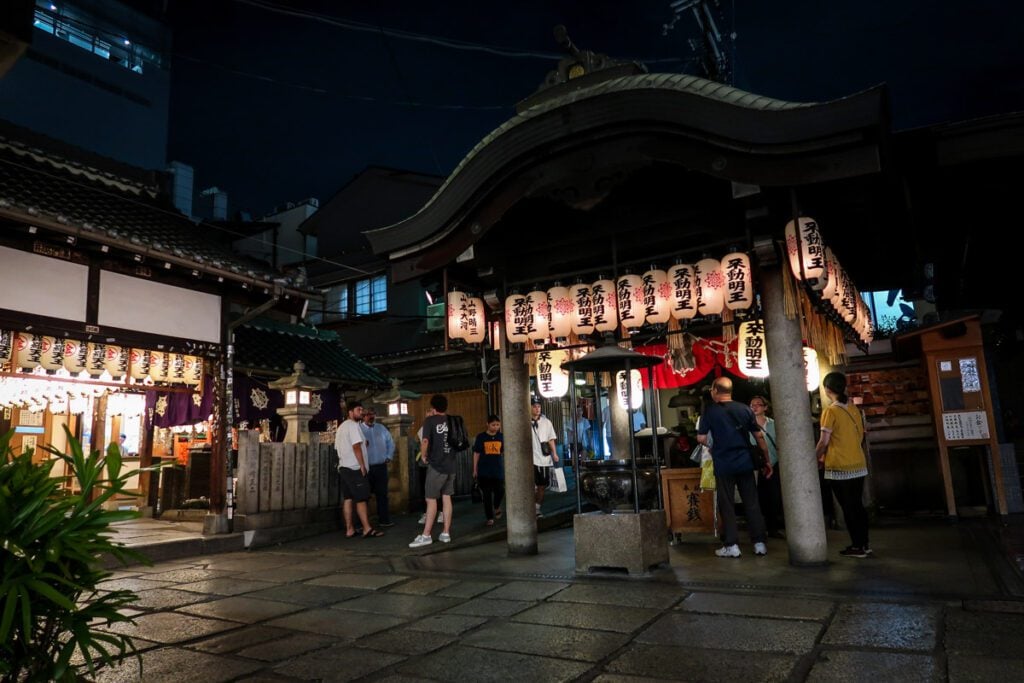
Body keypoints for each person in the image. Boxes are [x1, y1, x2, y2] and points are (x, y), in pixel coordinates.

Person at [696, 377, 773, 558]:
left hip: (724, 462)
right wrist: (766, 459)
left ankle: (732, 545)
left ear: (715, 390)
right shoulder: (744, 409)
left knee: (727, 503)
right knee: (752, 502)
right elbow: (759, 436)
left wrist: (715, 447)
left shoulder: (710, 411)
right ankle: (759, 543)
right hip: (745, 461)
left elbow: (701, 438)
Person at [815, 372, 871, 558]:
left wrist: (815, 458)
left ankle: (857, 545)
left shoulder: (831, 411)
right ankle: (864, 544)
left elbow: (823, 441)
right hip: (858, 462)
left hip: (840, 465)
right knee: (857, 506)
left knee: (848, 508)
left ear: (827, 389)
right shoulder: (852, 408)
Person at [410, 394, 456, 548]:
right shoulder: (452, 420)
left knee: (431, 499)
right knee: (446, 498)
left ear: (433, 408)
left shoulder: (430, 421)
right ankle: (445, 533)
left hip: (436, 466)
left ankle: (426, 535)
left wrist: (423, 455)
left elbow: (425, 440)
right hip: (451, 465)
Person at [334, 400, 383, 538]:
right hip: (355, 467)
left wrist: (363, 445)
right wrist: (362, 465)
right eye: (358, 410)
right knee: (362, 498)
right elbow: (356, 446)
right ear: (350, 412)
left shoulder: (342, 427)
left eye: (362, 409)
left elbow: (345, 446)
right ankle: (367, 528)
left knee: (348, 498)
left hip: (344, 466)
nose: (361, 412)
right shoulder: (353, 426)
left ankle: (349, 529)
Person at [750, 395, 783, 538]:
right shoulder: (747, 425)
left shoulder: (774, 424)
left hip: (774, 465)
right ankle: (759, 529)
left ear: (765, 407)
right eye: (752, 405)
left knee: (774, 497)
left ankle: (773, 527)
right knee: (757, 498)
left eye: (758, 404)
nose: (755, 407)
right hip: (755, 467)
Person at [360, 407, 395, 528]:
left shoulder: (381, 428)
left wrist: (389, 456)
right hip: (366, 467)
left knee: (382, 494)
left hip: (380, 466)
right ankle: (364, 522)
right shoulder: (359, 430)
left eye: (373, 414)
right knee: (364, 495)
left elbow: (390, 442)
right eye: (368, 414)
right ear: (363, 416)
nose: (371, 416)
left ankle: (384, 519)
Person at [472, 414, 504, 526]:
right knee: (486, 495)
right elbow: (476, 453)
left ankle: (496, 506)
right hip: (484, 470)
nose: (496, 427)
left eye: (498, 425)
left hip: (498, 470)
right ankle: (489, 517)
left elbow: (504, 451)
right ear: (487, 424)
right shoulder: (481, 437)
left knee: (500, 490)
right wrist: (474, 469)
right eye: (493, 425)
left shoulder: (501, 437)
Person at [530, 396, 558, 518]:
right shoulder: (524, 422)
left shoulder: (547, 422)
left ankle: (537, 508)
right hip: (530, 459)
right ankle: (531, 509)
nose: (537, 409)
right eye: (534, 406)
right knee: (531, 486)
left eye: (539, 406)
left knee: (542, 485)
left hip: (544, 459)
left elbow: (551, 439)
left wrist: (555, 453)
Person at [416, 407, 443, 526]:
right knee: (424, 489)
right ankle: (426, 512)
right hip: (424, 462)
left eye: (432, 415)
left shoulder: (441, 428)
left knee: (439, 488)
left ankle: (441, 511)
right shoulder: (421, 430)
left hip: (438, 462)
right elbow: (422, 443)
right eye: (427, 417)